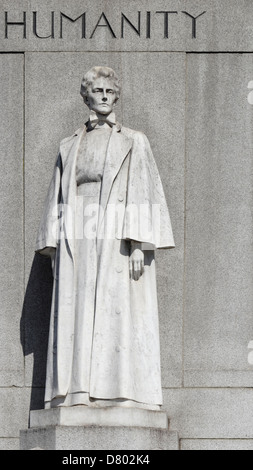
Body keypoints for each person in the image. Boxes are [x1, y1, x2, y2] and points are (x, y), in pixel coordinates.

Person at [36, 66, 175, 410]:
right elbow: (58, 194)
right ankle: (76, 391)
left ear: (116, 96)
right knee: (78, 307)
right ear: (86, 96)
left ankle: (122, 391)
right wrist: (53, 245)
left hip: (117, 228)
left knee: (117, 309)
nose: (103, 97)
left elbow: (143, 188)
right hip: (78, 228)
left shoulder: (134, 140)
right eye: (97, 91)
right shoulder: (69, 144)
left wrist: (141, 242)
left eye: (109, 92)